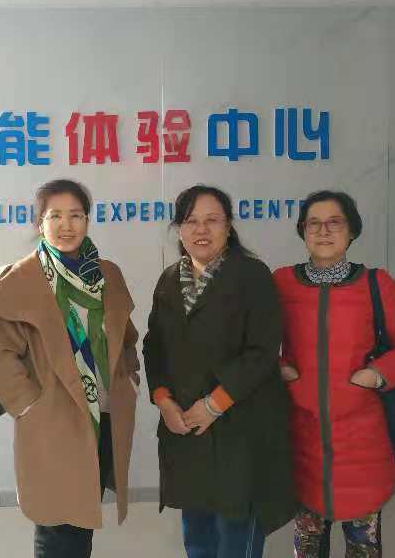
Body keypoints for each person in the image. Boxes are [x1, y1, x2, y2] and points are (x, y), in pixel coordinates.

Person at [0, 179, 140, 558]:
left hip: (102, 415)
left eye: (76, 215)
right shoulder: (20, 279)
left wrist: (129, 376)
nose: (66, 225)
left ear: (87, 220)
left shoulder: (107, 274)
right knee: (55, 524)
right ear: (40, 222)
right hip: (52, 419)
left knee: (82, 517)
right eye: (55, 216)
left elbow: (126, 335)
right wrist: (30, 406)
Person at [274, 190, 395, 558]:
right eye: (313, 223)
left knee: (363, 549)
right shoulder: (281, 283)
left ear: (352, 231)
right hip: (303, 443)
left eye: (335, 222)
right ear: (302, 231)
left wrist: (376, 374)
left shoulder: (377, 284)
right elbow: (252, 340)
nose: (323, 231)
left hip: (364, 445)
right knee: (307, 548)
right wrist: (277, 367)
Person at [143, 184, 296, 558]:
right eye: (191, 221)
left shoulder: (253, 275)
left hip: (241, 430)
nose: (201, 230)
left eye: (212, 220)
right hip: (186, 430)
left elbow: (262, 352)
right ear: (179, 229)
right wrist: (163, 400)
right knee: (198, 538)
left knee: (235, 537)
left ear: (228, 226)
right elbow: (154, 346)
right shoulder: (169, 280)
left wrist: (214, 404)